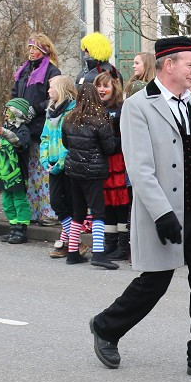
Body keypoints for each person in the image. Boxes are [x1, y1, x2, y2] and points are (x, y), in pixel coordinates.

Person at [89, 36, 191, 378]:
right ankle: (106, 327)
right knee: (155, 281)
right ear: (170, 66)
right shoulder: (139, 106)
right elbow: (139, 167)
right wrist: (163, 213)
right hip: (164, 212)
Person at [60, 83, 120, 269]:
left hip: (73, 170)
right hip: (93, 172)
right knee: (98, 212)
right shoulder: (100, 120)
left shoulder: (69, 118)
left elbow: (66, 144)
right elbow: (109, 148)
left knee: (78, 212)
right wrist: (119, 138)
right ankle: (99, 253)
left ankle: (72, 252)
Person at [11, 33, 62, 225]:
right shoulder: (23, 71)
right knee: (30, 171)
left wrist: (36, 109)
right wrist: (15, 109)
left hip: (42, 126)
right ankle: (33, 210)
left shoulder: (52, 72)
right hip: (24, 127)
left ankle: (49, 212)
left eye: (36, 48)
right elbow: (15, 93)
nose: (31, 52)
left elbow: (55, 96)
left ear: (44, 50)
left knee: (44, 171)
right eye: (30, 48)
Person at [40, 75, 77, 253]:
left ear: (61, 89)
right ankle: (75, 242)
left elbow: (70, 141)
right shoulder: (50, 112)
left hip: (67, 164)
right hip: (52, 165)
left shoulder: (72, 111)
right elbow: (45, 137)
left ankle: (68, 242)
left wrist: (60, 163)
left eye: (51, 87)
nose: (48, 91)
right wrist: (44, 159)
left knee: (69, 203)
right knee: (56, 202)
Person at [96, 71, 130, 260]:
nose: (102, 90)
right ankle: (109, 243)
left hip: (117, 159)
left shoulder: (121, 107)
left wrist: (111, 146)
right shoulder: (94, 107)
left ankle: (122, 245)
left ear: (113, 87)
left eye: (106, 86)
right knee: (106, 201)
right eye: (99, 86)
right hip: (101, 160)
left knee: (120, 202)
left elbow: (125, 135)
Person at [0, 98, 35, 244]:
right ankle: (13, 227)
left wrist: (5, 133)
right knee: (7, 201)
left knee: (19, 201)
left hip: (17, 174)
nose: (6, 114)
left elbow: (20, 143)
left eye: (9, 111)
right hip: (5, 175)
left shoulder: (22, 130)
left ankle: (21, 229)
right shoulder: (6, 128)